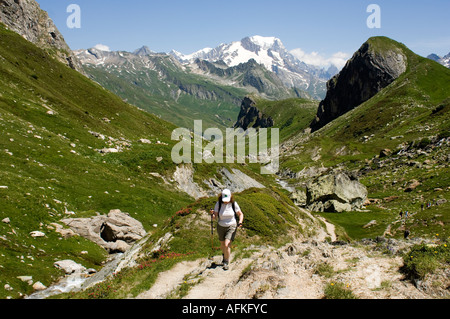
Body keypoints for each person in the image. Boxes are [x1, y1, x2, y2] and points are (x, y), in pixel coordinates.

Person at [210, 189, 244, 270]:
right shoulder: (218, 204)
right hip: (221, 226)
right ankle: (224, 255)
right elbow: (215, 217)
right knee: (222, 245)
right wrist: (212, 214)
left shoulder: (233, 204)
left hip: (231, 226)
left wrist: (240, 222)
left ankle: (226, 261)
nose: (225, 202)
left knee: (227, 244)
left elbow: (240, 214)